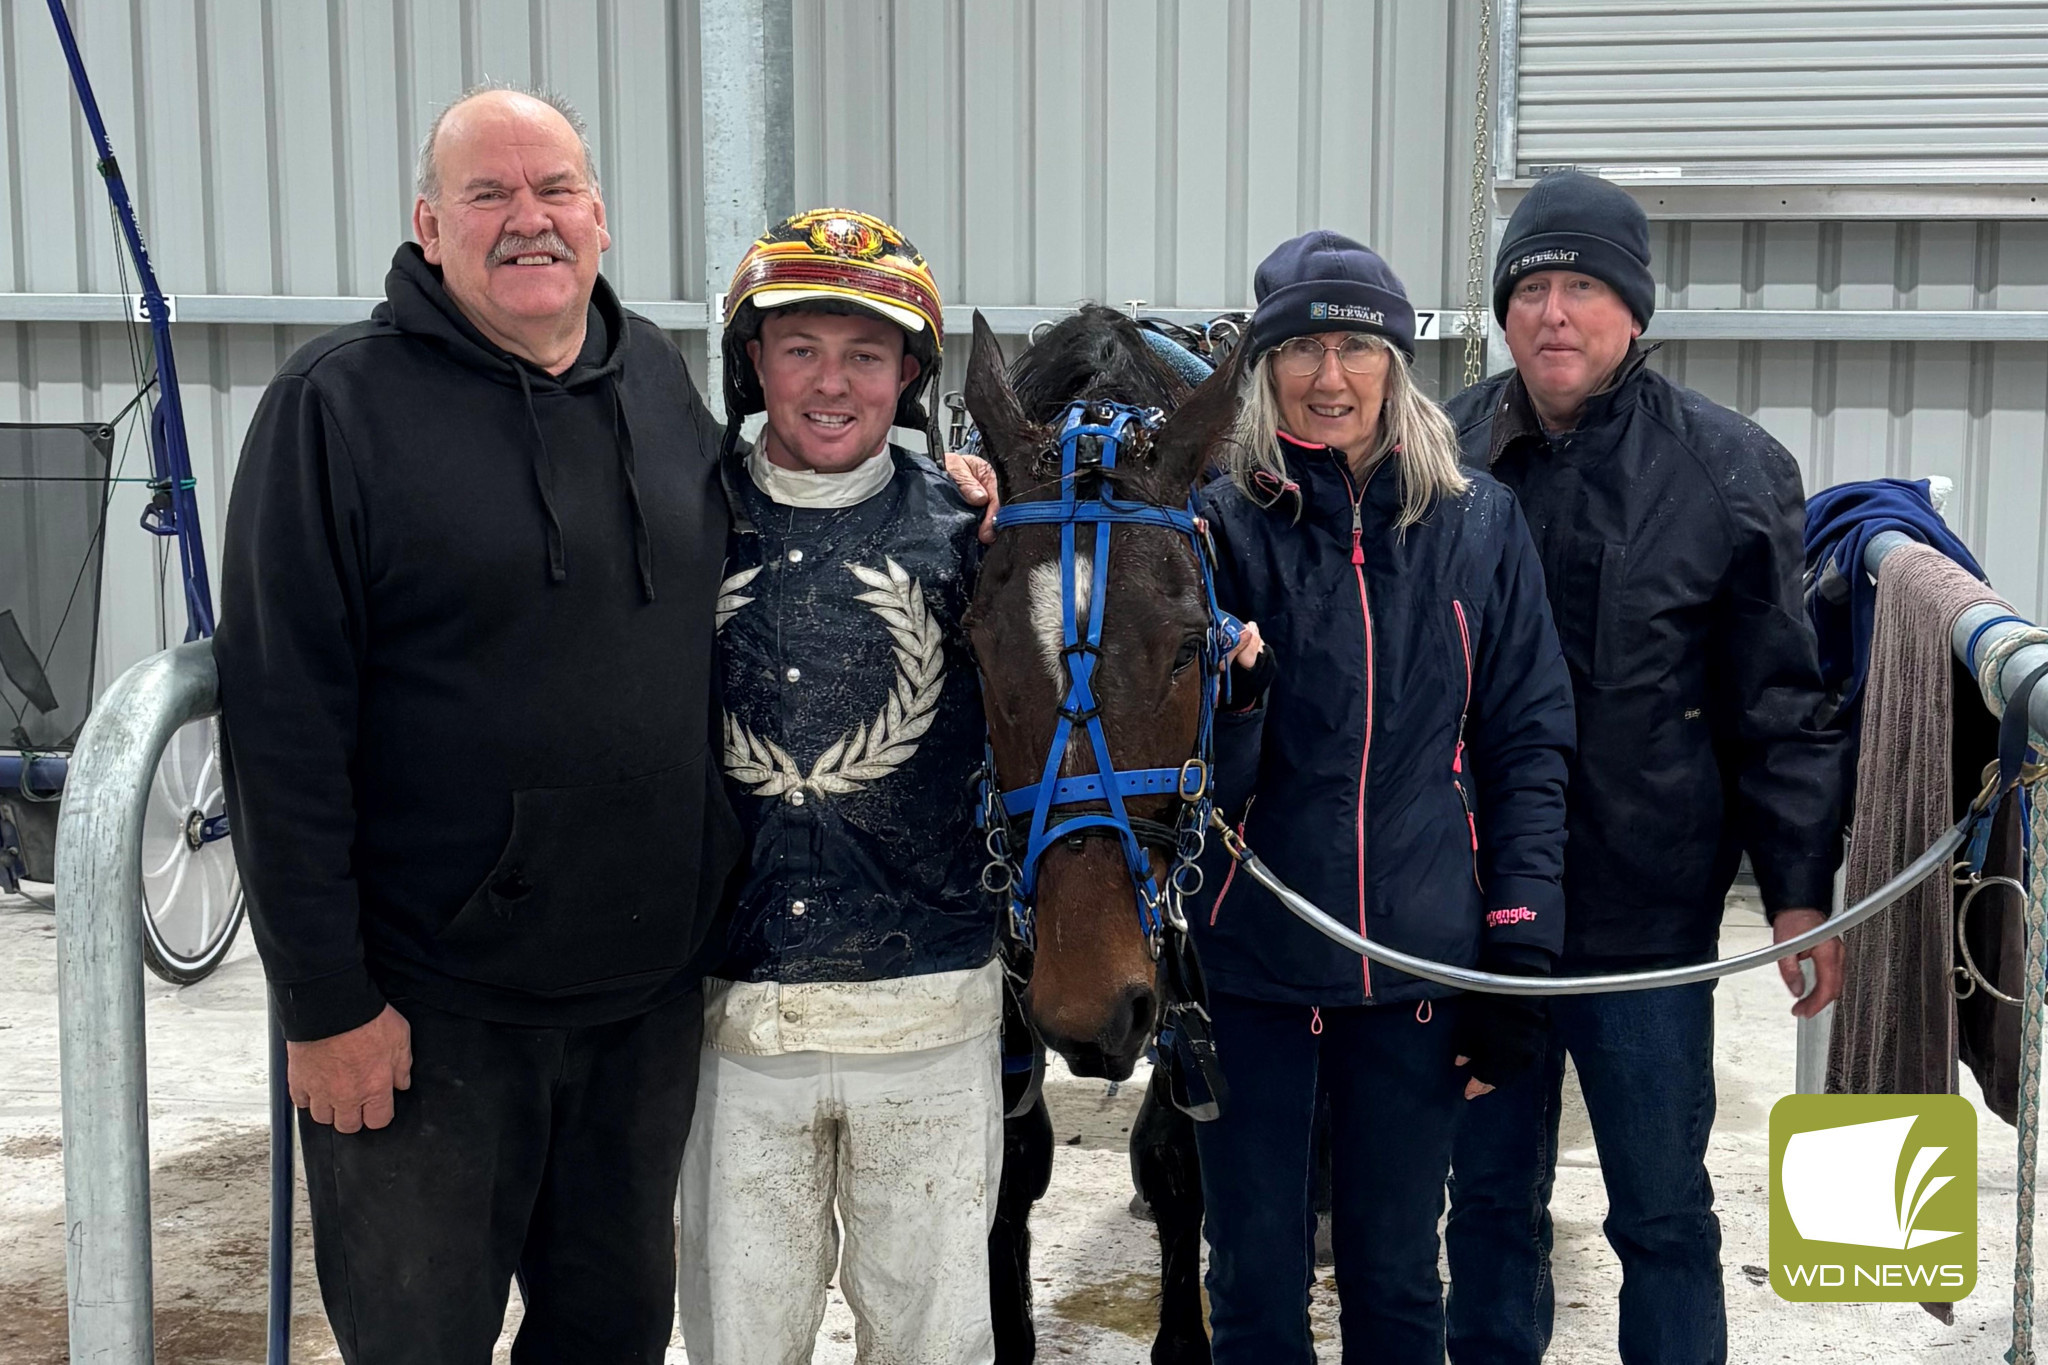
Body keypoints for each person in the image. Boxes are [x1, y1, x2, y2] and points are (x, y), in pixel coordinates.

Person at [214, 85, 741, 1362]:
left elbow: (786, 528)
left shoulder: (660, 385)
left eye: (553, 189)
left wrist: (952, 492)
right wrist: (323, 1003)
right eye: (488, 194)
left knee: (611, 1337)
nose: (528, 221)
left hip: (640, 1003)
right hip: (423, 1016)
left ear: (599, 218)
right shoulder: (332, 410)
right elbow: (281, 726)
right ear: (427, 223)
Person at [1443, 170, 1846, 1365]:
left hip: (1647, 917)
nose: (1552, 313)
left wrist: (1799, 890)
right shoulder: (1437, 451)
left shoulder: (1729, 470)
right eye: (1530, 288)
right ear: (1504, 310)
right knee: (1484, 1209)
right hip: (1474, 921)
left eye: (1582, 286)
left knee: (1661, 1212)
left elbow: (1778, 704)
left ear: (1633, 310)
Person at [1189, 230, 1577, 1363]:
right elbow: (1176, 786)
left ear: (1393, 365)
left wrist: (1517, 953)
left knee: (1398, 1275)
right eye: (1299, 349)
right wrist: (1241, 706)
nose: (1327, 377)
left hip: (1415, 966)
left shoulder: (1474, 522)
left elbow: (1525, 740)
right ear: (1261, 369)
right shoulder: (1210, 527)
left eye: (1354, 347)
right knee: (1253, 1278)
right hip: (1249, 966)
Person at [675, 209, 1004, 1363]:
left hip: (928, 1015)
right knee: (738, 1334)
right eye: (800, 348)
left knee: (930, 1336)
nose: (830, 382)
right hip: (731, 1017)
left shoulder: (974, 533)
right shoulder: (679, 517)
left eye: (864, 355)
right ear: (750, 361)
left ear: (908, 375)